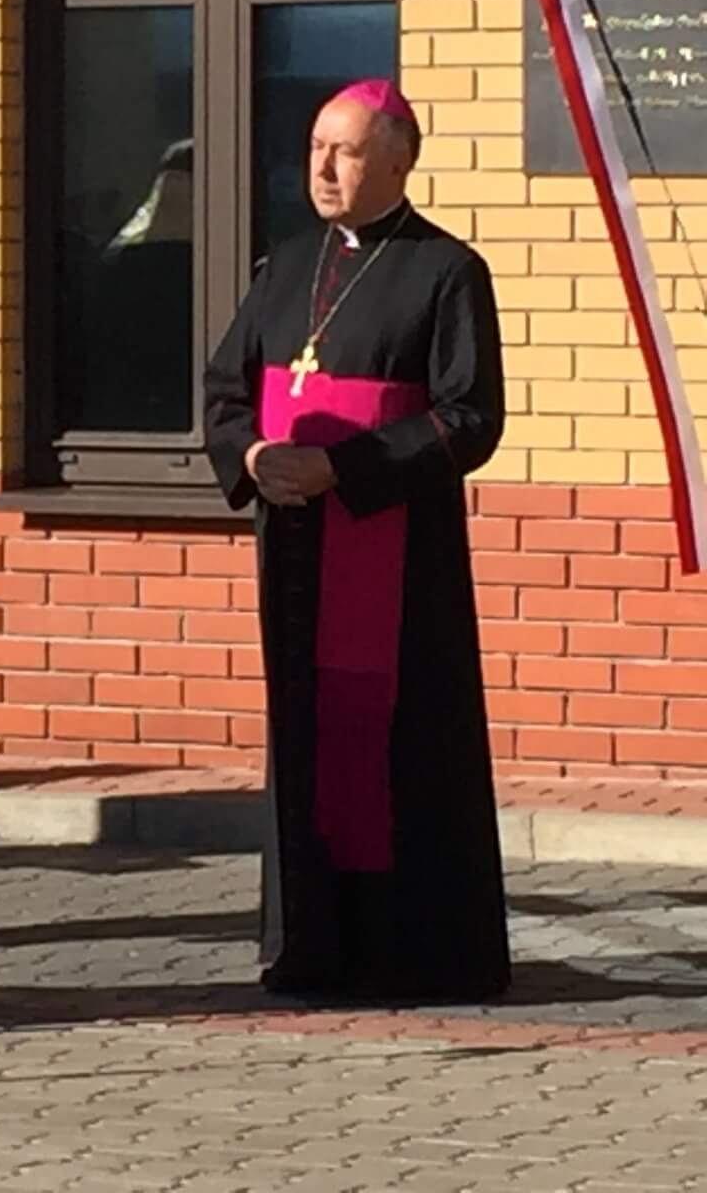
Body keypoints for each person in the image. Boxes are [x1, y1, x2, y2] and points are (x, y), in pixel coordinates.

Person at [202, 79, 511, 1002]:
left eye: (345, 151)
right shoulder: (285, 266)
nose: (324, 168)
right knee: (306, 737)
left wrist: (344, 468)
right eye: (315, 149)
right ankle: (308, 944)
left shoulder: (448, 271)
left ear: (399, 161)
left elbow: (471, 417)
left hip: (394, 549)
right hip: (295, 546)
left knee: (398, 741)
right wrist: (254, 455)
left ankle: (409, 952)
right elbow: (224, 392)